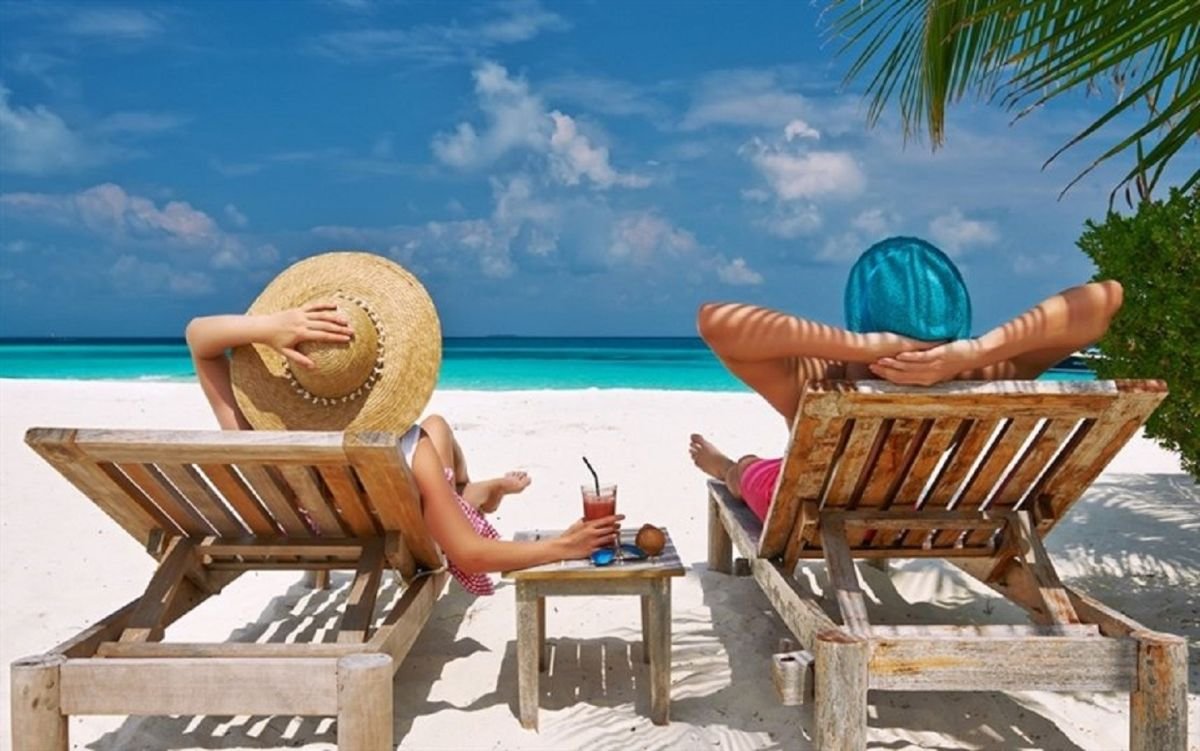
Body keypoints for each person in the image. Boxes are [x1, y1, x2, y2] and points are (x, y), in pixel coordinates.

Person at [186, 251, 621, 594]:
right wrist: (562, 547)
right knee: (437, 433)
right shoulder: (408, 449)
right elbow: (468, 554)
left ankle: (474, 492)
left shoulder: (259, 439)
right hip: (400, 525)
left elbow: (199, 338)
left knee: (438, 439)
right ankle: (473, 494)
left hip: (324, 525)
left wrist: (266, 327)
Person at [688, 236, 1124, 521]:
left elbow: (717, 321)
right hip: (906, 517)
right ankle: (731, 465)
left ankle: (726, 466)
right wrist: (978, 350)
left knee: (750, 471)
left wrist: (861, 348)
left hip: (811, 518)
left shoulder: (821, 379)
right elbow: (1105, 300)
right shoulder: (977, 374)